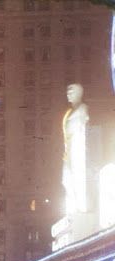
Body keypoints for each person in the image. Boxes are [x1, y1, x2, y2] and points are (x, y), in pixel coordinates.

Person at [62, 83, 89, 216]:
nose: (68, 94)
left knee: (78, 178)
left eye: (71, 91)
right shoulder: (69, 113)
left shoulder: (83, 109)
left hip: (78, 149)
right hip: (69, 150)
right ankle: (72, 211)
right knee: (66, 180)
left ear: (79, 93)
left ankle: (80, 209)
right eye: (67, 91)